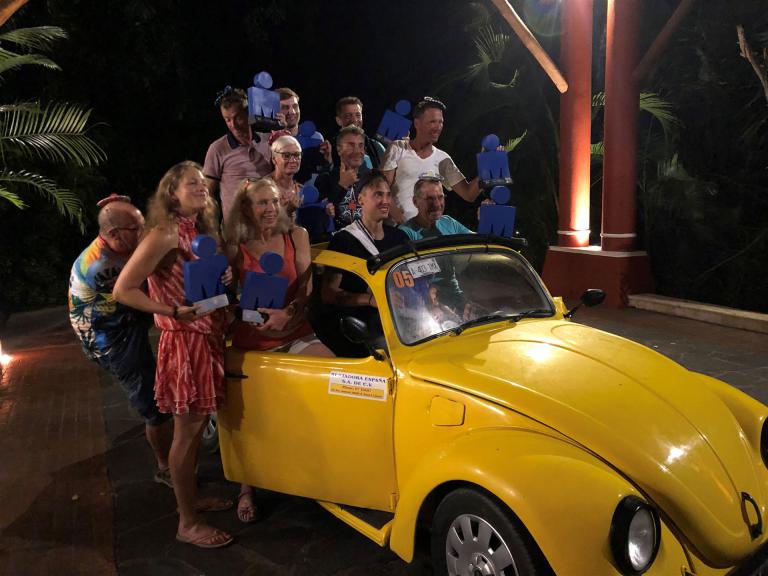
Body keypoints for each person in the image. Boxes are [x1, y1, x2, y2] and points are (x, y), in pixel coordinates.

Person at [113, 161, 234, 549]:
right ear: (171, 193)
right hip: (184, 343)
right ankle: (187, 522)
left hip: (207, 338)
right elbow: (123, 289)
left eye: (202, 183)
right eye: (190, 183)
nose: (201, 187)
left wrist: (224, 276)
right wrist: (169, 311)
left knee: (195, 433)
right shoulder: (164, 233)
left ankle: (192, 499)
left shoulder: (197, 230)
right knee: (187, 433)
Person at [224, 176, 333, 523]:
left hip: (295, 331)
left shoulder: (296, 235)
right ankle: (246, 487)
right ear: (246, 208)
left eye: (274, 201)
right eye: (262, 203)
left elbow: (306, 287)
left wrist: (289, 313)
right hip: (254, 341)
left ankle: (325, 470)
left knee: (332, 381)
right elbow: (226, 301)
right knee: (251, 417)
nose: (271, 208)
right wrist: (249, 315)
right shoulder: (233, 245)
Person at [68, 195, 173, 487]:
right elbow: (143, 294)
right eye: (136, 228)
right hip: (110, 339)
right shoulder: (101, 266)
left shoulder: (118, 248)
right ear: (114, 234)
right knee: (153, 405)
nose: (144, 232)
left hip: (123, 322)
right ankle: (165, 468)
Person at [320, 170, 408, 356]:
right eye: (378, 195)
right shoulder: (343, 240)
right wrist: (370, 300)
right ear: (361, 199)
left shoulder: (400, 237)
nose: (385, 201)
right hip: (366, 326)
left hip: (403, 319)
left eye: (388, 195)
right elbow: (329, 294)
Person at [381, 96, 480, 223]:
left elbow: (469, 194)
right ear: (417, 123)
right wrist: (401, 220)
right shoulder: (398, 148)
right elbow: (382, 189)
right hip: (397, 230)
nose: (438, 127)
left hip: (427, 232)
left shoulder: (443, 159)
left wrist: (487, 171)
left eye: (441, 122)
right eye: (433, 122)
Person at [203, 87, 272, 222]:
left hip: (267, 221)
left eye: (238, 118)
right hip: (236, 226)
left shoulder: (268, 141)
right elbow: (207, 193)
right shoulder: (217, 148)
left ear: (249, 114)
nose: (233, 125)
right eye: (227, 120)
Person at [314, 125, 369, 231]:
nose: (357, 151)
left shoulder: (372, 180)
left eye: (360, 145)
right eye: (351, 145)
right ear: (339, 150)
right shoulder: (325, 179)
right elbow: (322, 218)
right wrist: (342, 186)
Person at [275, 87, 331, 182]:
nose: (292, 112)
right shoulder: (272, 140)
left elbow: (324, 173)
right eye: (285, 107)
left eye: (295, 106)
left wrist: (328, 161)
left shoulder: (316, 137)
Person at [399, 173, 474, 239]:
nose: (437, 204)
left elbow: (476, 240)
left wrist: (481, 217)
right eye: (429, 199)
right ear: (415, 201)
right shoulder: (405, 233)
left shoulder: (449, 223)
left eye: (440, 197)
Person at [332, 96, 386, 169]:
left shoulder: (376, 147)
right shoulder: (329, 149)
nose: (354, 120)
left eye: (358, 115)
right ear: (339, 120)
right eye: (348, 116)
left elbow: (387, 173)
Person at [268, 133, 304, 219]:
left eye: (297, 155)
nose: (293, 160)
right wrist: (287, 210)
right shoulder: (262, 188)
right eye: (286, 156)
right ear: (274, 159)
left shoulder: (300, 190)